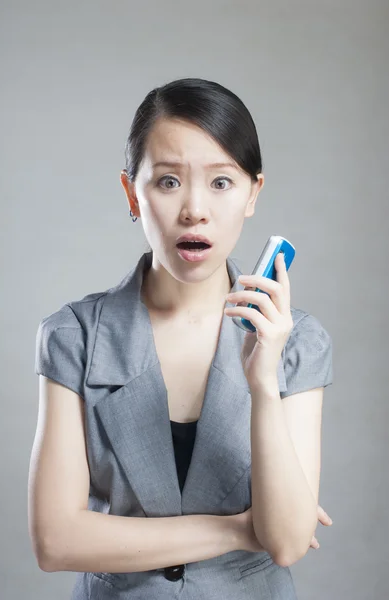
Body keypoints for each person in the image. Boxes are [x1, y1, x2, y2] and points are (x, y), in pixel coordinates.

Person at [29, 77, 334, 600]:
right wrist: (237, 529)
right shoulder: (72, 337)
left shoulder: (298, 340)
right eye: (168, 182)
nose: (195, 208)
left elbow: (283, 542)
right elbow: (55, 540)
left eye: (221, 183)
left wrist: (264, 382)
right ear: (131, 192)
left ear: (253, 194)